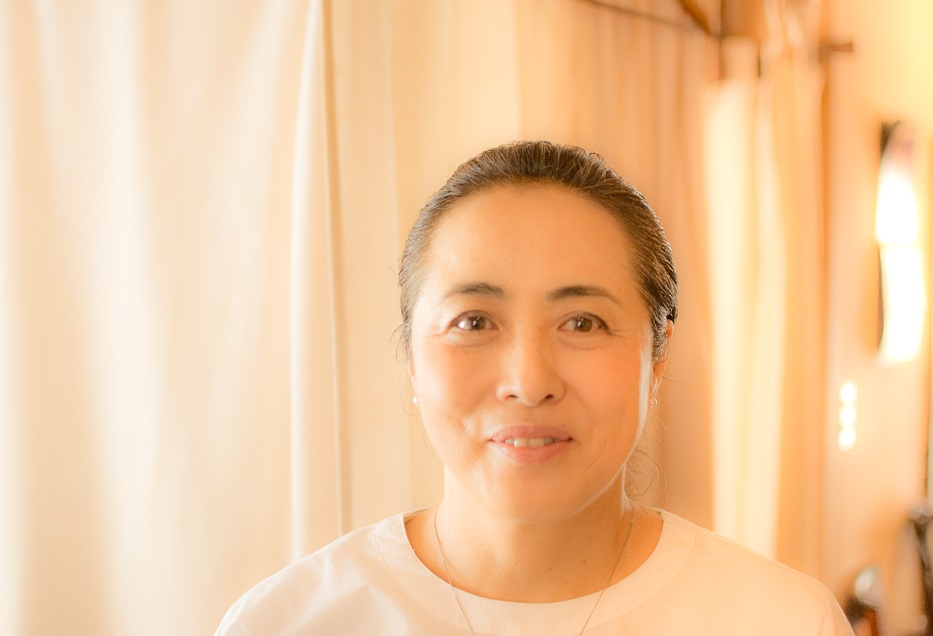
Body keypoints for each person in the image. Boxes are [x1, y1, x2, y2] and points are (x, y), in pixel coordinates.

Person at [216, 140, 853, 635]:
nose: (528, 382)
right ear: (411, 356)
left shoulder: (783, 622)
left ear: (657, 356)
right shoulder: (284, 624)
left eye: (583, 322)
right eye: (473, 322)